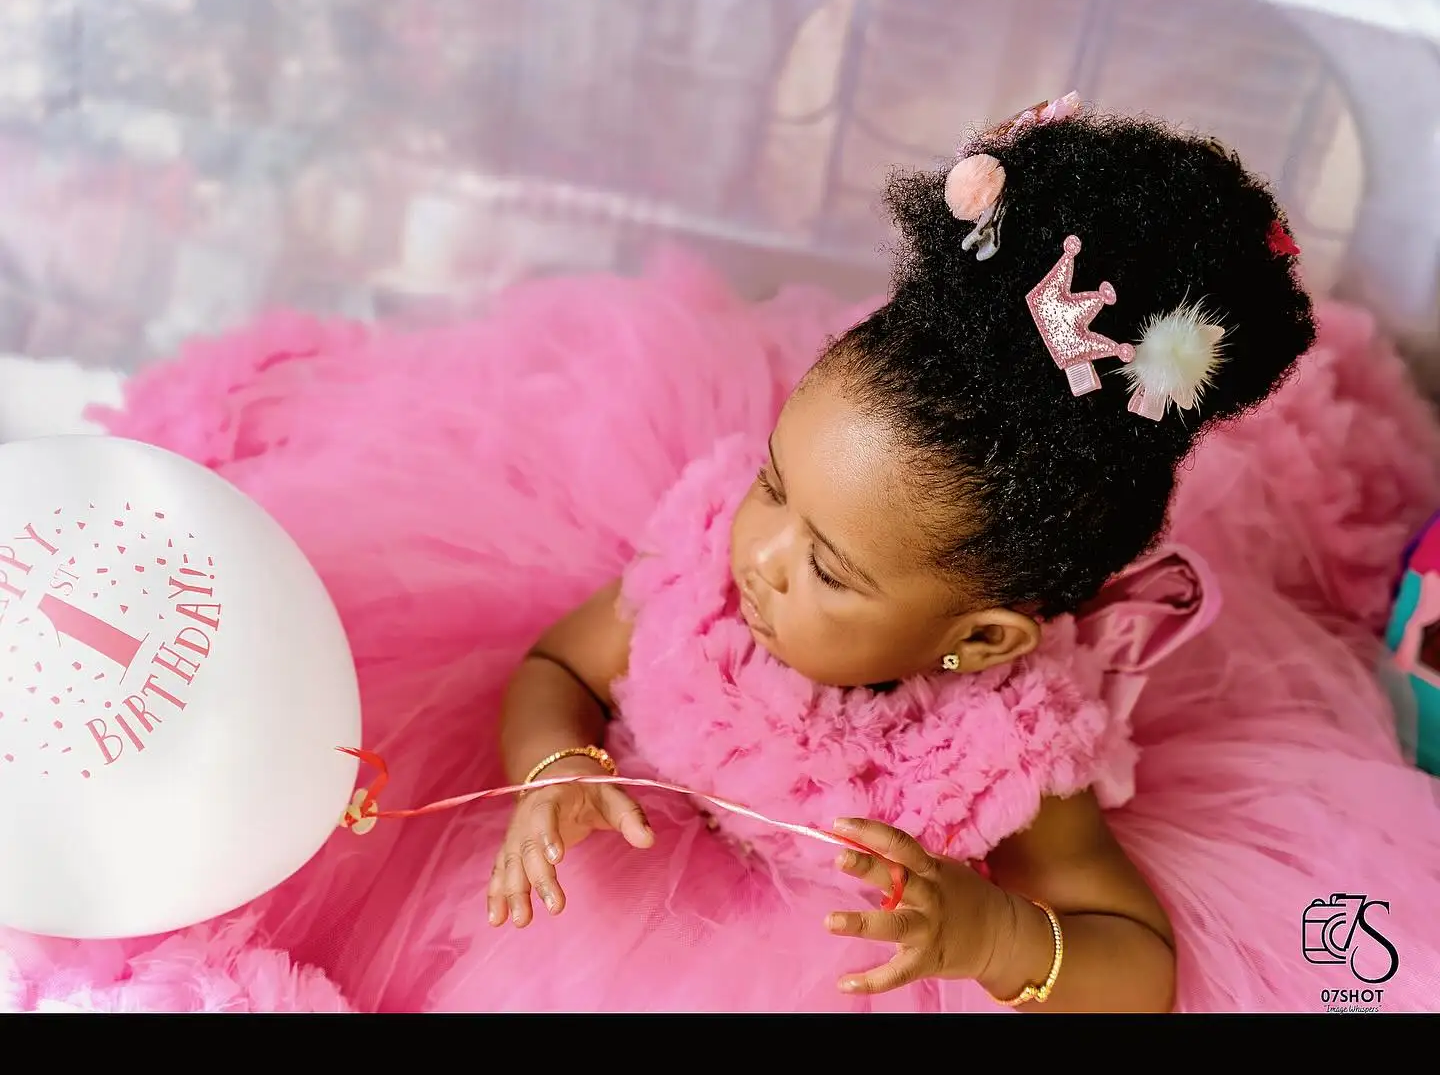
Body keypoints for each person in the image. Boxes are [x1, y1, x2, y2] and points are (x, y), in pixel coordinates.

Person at [5, 95, 1440, 1013]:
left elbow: (1134, 960)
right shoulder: (711, 558)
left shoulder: (1006, 740)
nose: (760, 560)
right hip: (623, 886)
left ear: (982, 639)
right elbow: (564, 658)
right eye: (773, 486)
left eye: (828, 568)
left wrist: (988, 939)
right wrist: (556, 760)